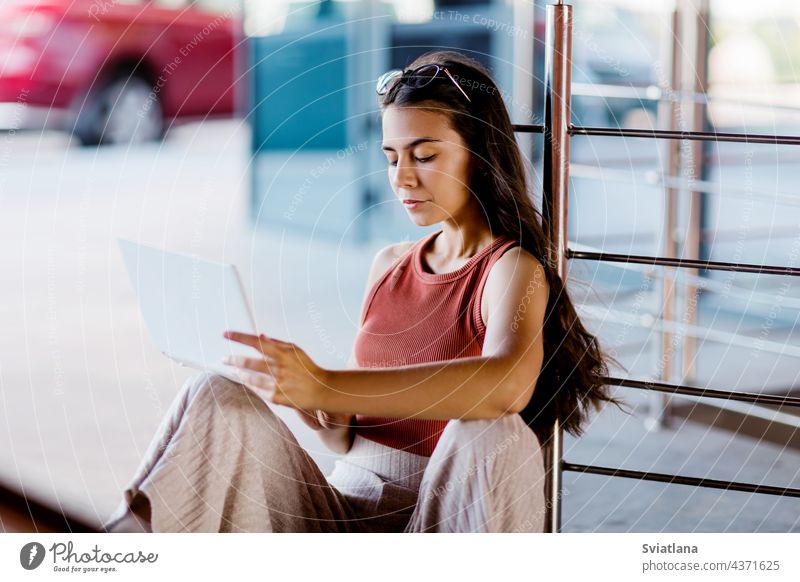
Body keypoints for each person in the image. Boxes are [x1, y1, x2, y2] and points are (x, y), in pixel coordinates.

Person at [103, 50, 622, 533]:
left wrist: (327, 384)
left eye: (424, 155)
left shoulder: (510, 269)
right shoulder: (388, 266)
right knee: (214, 393)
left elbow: (506, 386)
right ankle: (123, 546)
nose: (402, 178)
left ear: (479, 156)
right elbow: (347, 437)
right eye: (392, 156)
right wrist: (319, 409)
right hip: (339, 507)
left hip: (440, 515)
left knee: (493, 435)